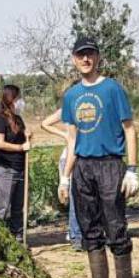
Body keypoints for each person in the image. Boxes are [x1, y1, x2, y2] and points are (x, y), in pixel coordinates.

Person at [58, 36, 139, 278]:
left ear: (98, 57)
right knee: (88, 228)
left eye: (90, 54)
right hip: (83, 167)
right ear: (73, 59)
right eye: (81, 55)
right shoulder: (71, 96)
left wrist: (132, 169)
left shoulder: (112, 89)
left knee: (115, 226)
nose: (85, 59)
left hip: (109, 165)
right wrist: (65, 177)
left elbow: (129, 129)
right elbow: (71, 139)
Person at [0, 84, 31, 239]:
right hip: (6, 169)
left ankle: (18, 239)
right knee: (3, 207)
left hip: (20, 168)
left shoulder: (18, 119)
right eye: (18, 98)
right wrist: (21, 147)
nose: (21, 101)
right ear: (11, 99)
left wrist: (27, 135)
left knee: (18, 207)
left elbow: (22, 138)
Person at [41, 101, 82, 249]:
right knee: (74, 196)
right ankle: (75, 234)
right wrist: (65, 135)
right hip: (70, 157)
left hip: (85, 157)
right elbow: (45, 123)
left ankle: (81, 233)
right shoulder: (67, 109)